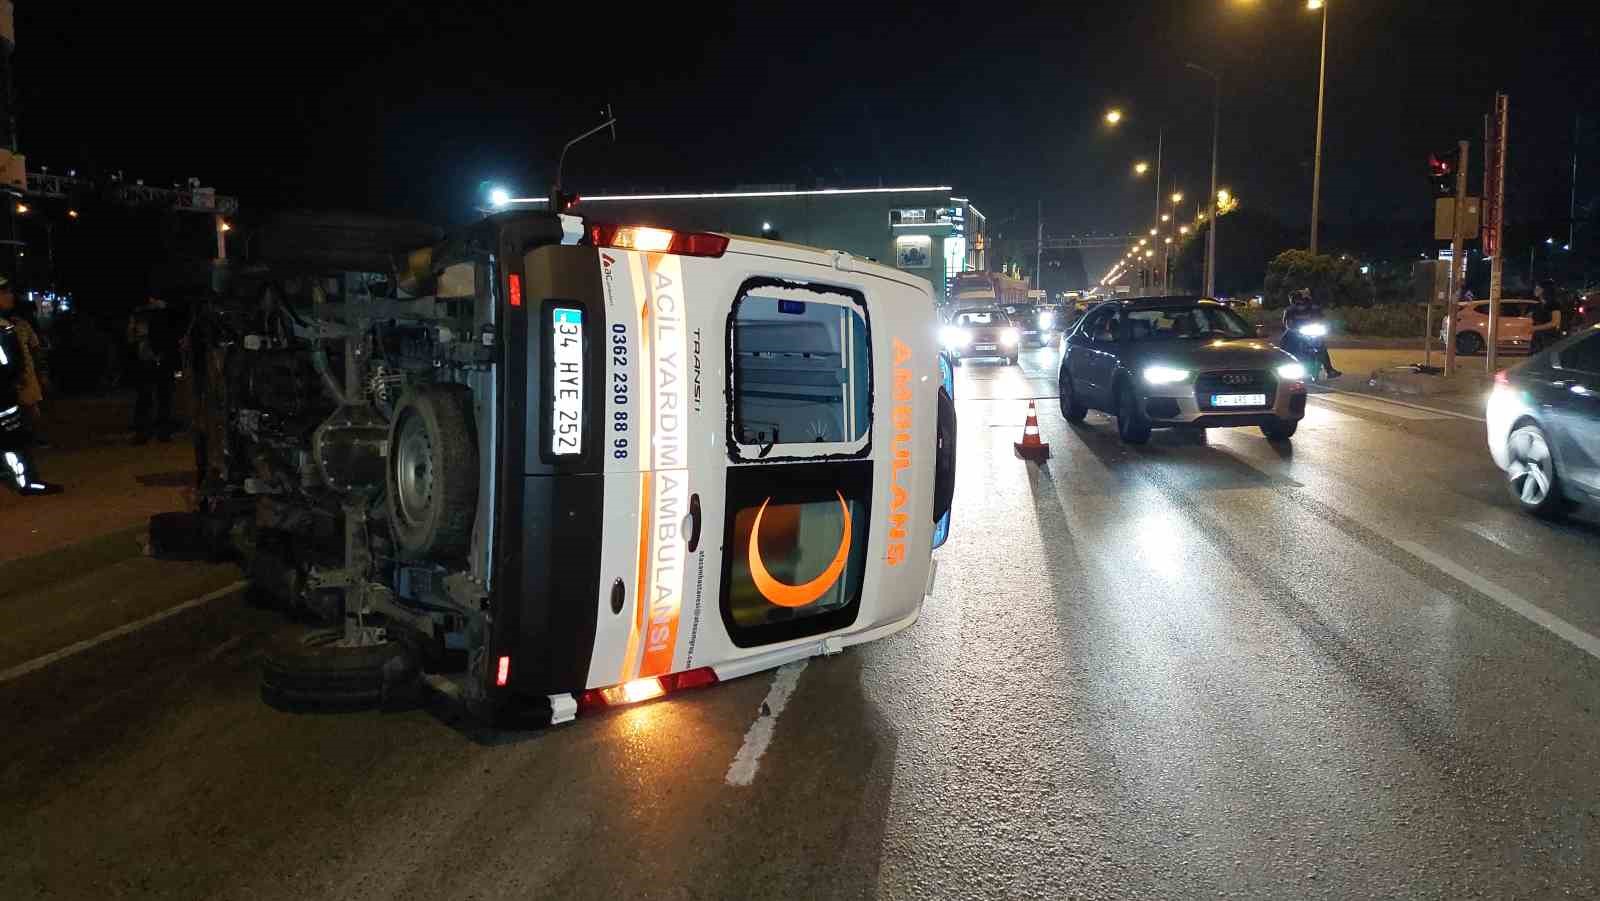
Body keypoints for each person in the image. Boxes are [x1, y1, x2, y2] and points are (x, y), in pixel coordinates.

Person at [0, 317, 62, 495]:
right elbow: (9, 364)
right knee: (12, 437)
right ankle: (27, 481)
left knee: (12, 436)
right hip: (4, 394)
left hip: (6, 392)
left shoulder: (9, 326)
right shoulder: (5, 329)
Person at [127, 294, 180, 443]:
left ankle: (155, 431)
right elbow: (132, 337)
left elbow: (133, 337)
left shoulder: (157, 312)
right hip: (149, 358)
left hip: (157, 358)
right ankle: (151, 431)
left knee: (158, 396)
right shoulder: (142, 313)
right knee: (151, 396)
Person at [1281, 288, 1341, 379]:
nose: (1301, 301)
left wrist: (1326, 326)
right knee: (1285, 341)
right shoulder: (1290, 310)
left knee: (1322, 347)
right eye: (1298, 299)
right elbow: (1287, 324)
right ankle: (1284, 365)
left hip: (1312, 331)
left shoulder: (1314, 308)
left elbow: (1322, 319)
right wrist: (1293, 329)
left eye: (1304, 299)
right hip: (1296, 333)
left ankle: (1329, 370)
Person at [1531, 279, 1563, 353]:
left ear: (1544, 290)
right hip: (1537, 338)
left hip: (1549, 338)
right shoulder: (1538, 305)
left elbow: (1555, 322)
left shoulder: (1553, 304)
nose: (1535, 290)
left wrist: (1535, 328)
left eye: (1537, 288)